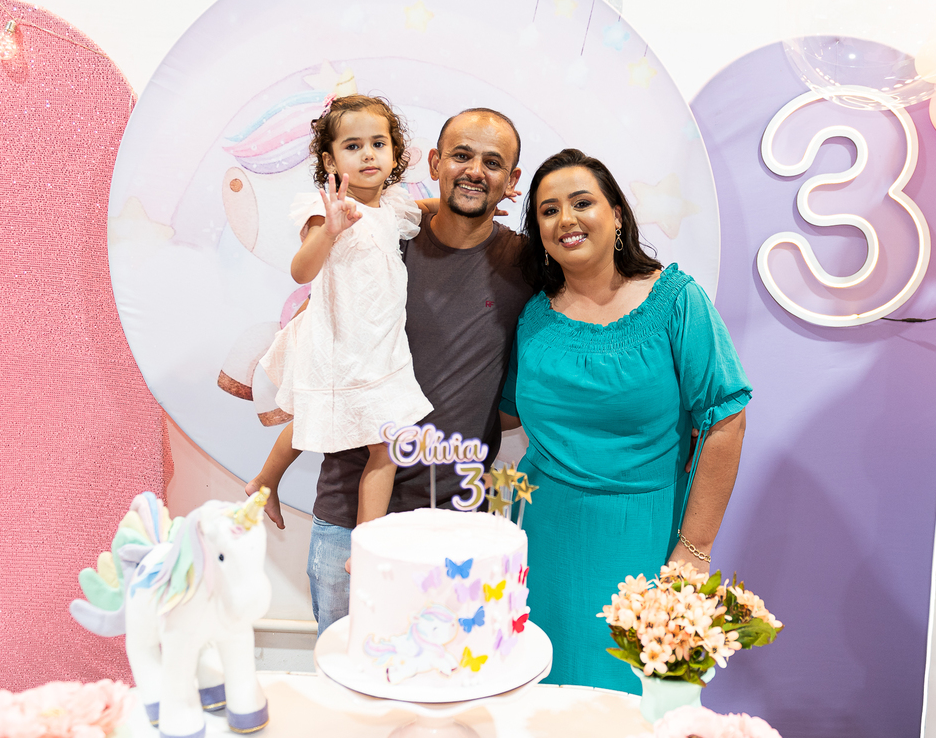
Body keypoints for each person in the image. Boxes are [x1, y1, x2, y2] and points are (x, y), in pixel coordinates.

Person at [499, 148, 751, 692]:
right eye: (548, 210)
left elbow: (725, 421)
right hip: (543, 539)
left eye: (581, 202)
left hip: (648, 539)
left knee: (629, 702)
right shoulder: (533, 316)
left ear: (616, 214)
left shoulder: (677, 301)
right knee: (542, 698)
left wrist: (693, 552)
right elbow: (501, 414)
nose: (565, 219)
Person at [303, 108, 533, 635]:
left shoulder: (525, 263)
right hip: (347, 517)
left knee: (446, 678)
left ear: (511, 180)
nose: (474, 170)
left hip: (455, 524)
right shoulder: (380, 238)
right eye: (461, 155)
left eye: (492, 162)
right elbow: (321, 340)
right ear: (434, 163)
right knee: (350, 675)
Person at [245, 94, 433, 535]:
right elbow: (301, 271)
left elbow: (424, 209)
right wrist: (329, 231)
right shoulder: (327, 210)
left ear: (395, 154)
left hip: (379, 344)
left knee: (367, 436)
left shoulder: (393, 206)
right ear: (330, 160)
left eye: (378, 144)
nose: (368, 154)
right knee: (363, 434)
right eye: (353, 146)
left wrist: (478, 205)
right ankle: (363, 539)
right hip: (340, 340)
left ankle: (267, 482)